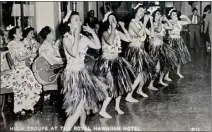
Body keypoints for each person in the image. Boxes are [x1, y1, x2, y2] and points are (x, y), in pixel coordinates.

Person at [60, 11, 107, 131]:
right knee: (77, 106)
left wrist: (91, 32)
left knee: (84, 101)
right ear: (69, 24)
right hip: (72, 75)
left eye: (79, 19)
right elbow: (74, 53)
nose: (79, 21)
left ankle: (82, 125)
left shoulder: (83, 38)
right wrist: (76, 34)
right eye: (76, 19)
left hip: (83, 72)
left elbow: (97, 46)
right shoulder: (66, 38)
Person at [93, 11, 135, 118]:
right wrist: (112, 29)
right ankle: (103, 110)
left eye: (114, 19)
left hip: (117, 61)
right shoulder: (105, 33)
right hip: (107, 63)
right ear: (107, 22)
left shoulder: (117, 32)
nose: (113, 21)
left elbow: (129, 39)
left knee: (120, 85)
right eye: (111, 19)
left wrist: (122, 28)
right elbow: (111, 42)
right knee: (112, 87)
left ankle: (117, 106)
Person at [3, 26, 42, 115]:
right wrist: (30, 55)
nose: (21, 33)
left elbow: (28, 54)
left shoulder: (20, 43)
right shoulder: (12, 44)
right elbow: (19, 58)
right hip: (17, 69)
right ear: (14, 34)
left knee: (31, 80)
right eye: (19, 32)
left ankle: (27, 105)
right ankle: (19, 108)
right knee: (25, 78)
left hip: (23, 68)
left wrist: (33, 53)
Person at [124, 3, 156, 101]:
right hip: (134, 51)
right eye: (140, 11)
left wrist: (150, 20)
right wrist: (146, 22)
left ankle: (139, 90)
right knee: (139, 73)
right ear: (136, 12)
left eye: (143, 11)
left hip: (141, 50)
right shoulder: (132, 23)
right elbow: (140, 33)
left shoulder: (141, 23)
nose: (142, 13)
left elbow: (152, 34)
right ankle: (129, 95)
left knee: (144, 72)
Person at [149, 8, 178, 86]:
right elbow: (158, 30)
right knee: (156, 68)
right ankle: (150, 84)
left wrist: (166, 20)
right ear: (154, 16)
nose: (160, 15)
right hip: (154, 47)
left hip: (161, 46)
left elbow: (171, 27)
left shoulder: (162, 24)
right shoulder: (152, 25)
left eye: (160, 14)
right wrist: (160, 21)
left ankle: (160, 80)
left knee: (164, 65)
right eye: (158, 14)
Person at [167, 9, 191, 79]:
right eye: (173, 14)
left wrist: (185, 17)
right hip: (171, 40)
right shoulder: (169, 22)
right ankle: (166, 75)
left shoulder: (179, 22)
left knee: (179, 57)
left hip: (179, 40)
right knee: (170, 58)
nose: (175, 16)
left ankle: (178, 72)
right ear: (170, 16)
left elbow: (190, 22)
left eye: (176, 14)